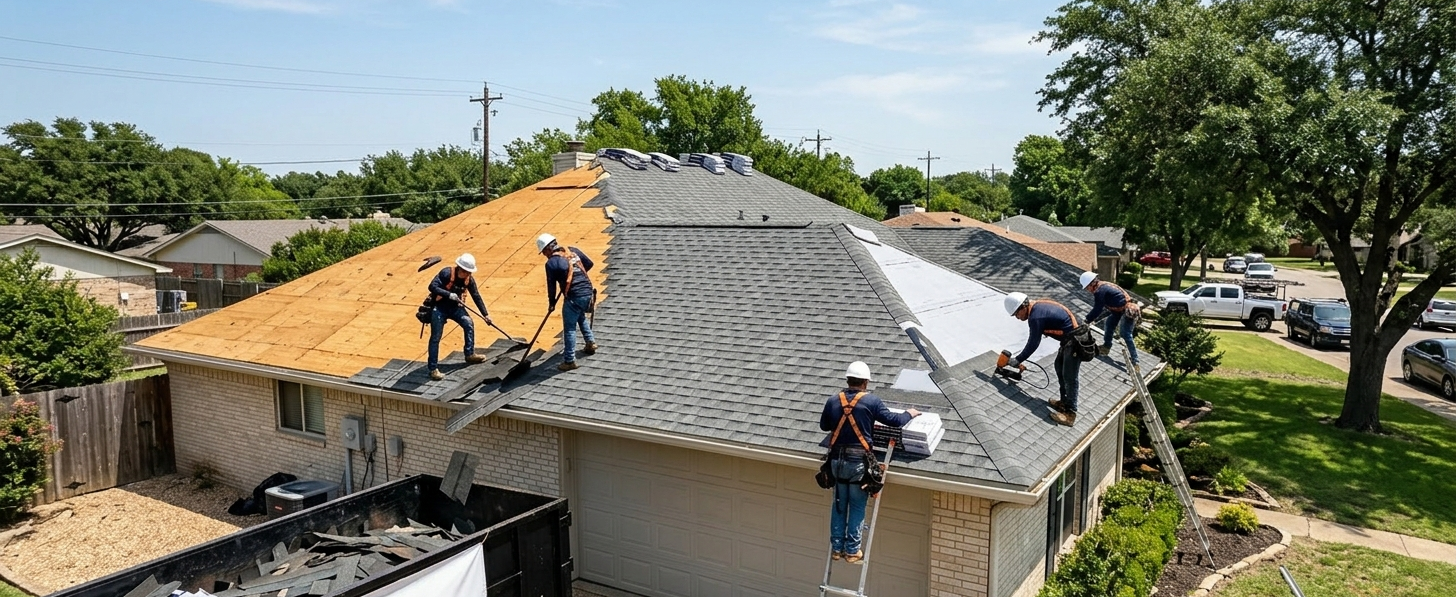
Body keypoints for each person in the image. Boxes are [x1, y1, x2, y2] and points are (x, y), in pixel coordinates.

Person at [819, 361, 920, 564]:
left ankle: (837, 549)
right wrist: (910, 413)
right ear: (865, 382)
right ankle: (852, 551)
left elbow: (824, 426)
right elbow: (894, 420)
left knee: (839, 505)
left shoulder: (833, 400)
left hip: (836, 462)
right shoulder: (871, 401)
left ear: (848, 380)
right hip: (858, 463)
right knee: (856, 506)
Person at [1003, 292, 1082, 426]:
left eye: (1017, 314)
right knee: (1059, 369)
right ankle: (1064, 403)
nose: (1017, 318)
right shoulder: (1037, 307)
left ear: (1023, 307)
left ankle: (1070, 414)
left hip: (1075, 343)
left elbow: (1033, 343)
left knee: (1069, 377)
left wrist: (1017, 360)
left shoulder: (1035, 317)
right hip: (1068, 341)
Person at [426, 254, 493, 381]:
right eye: (466, 272)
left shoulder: (469, 280)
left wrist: (486, 315)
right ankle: (433, 369)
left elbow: (476, 296)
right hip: (440, 308)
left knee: (468, 323)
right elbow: (432, 287)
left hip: (456, 308)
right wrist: (448, 294)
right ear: (460, 269)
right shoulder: (446, 273)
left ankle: (469, 354)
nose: (468, 275)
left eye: (469, 273)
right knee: (436, 337)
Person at [537, 233, 598, 371]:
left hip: (574, 296)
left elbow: (551, 286)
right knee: (579, 316)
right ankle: (590, 342)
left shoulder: (551, 263)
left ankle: (569, 360)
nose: (544, 255)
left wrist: (551, 303)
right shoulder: (573, 251)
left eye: (544, 252)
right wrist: (575, 277)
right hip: (588, 293)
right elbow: (589, 264)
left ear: (547, 249)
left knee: (569, 327)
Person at [1080, 271, 1140, 366]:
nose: (1088, 290)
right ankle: (1106, 347)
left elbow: (1098, 308)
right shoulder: (1102, 286)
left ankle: (1135, 359)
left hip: (1128, 310)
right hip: (1117, 310)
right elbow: (1105, 308)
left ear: (1092, 284)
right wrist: (1094, 319)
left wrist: (1088, 320)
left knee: (1125, 334)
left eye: (1087, 287)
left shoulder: (1100, 291)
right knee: (1109, 324)